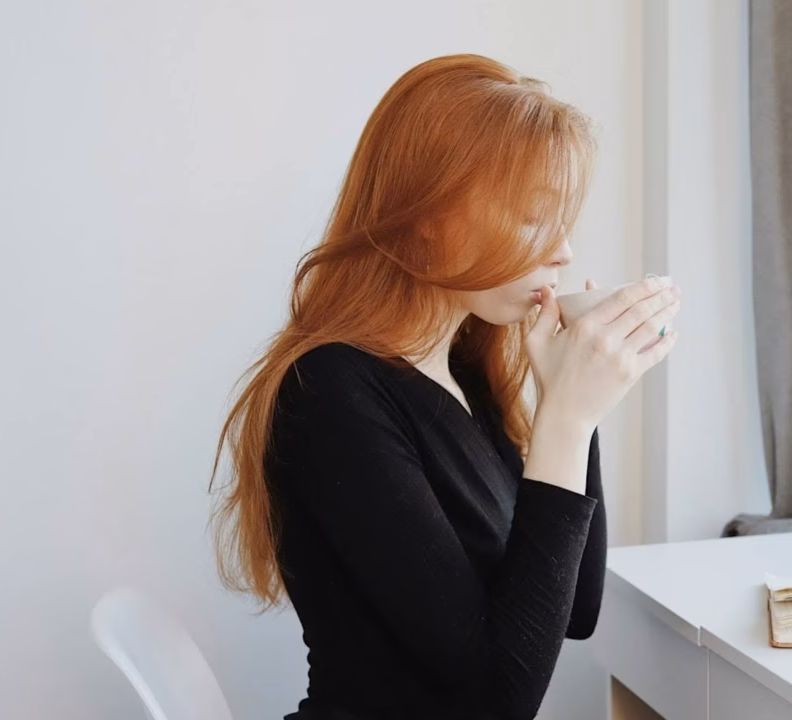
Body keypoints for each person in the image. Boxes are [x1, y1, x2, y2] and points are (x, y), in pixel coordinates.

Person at [211, 54, 681, 720]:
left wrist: (576, 400)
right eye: (532, 217)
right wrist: (568, 420)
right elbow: (497, 700)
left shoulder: (462, 372)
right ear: (428, 214)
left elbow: (575, 609)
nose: (564, 252)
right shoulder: (329, 392)